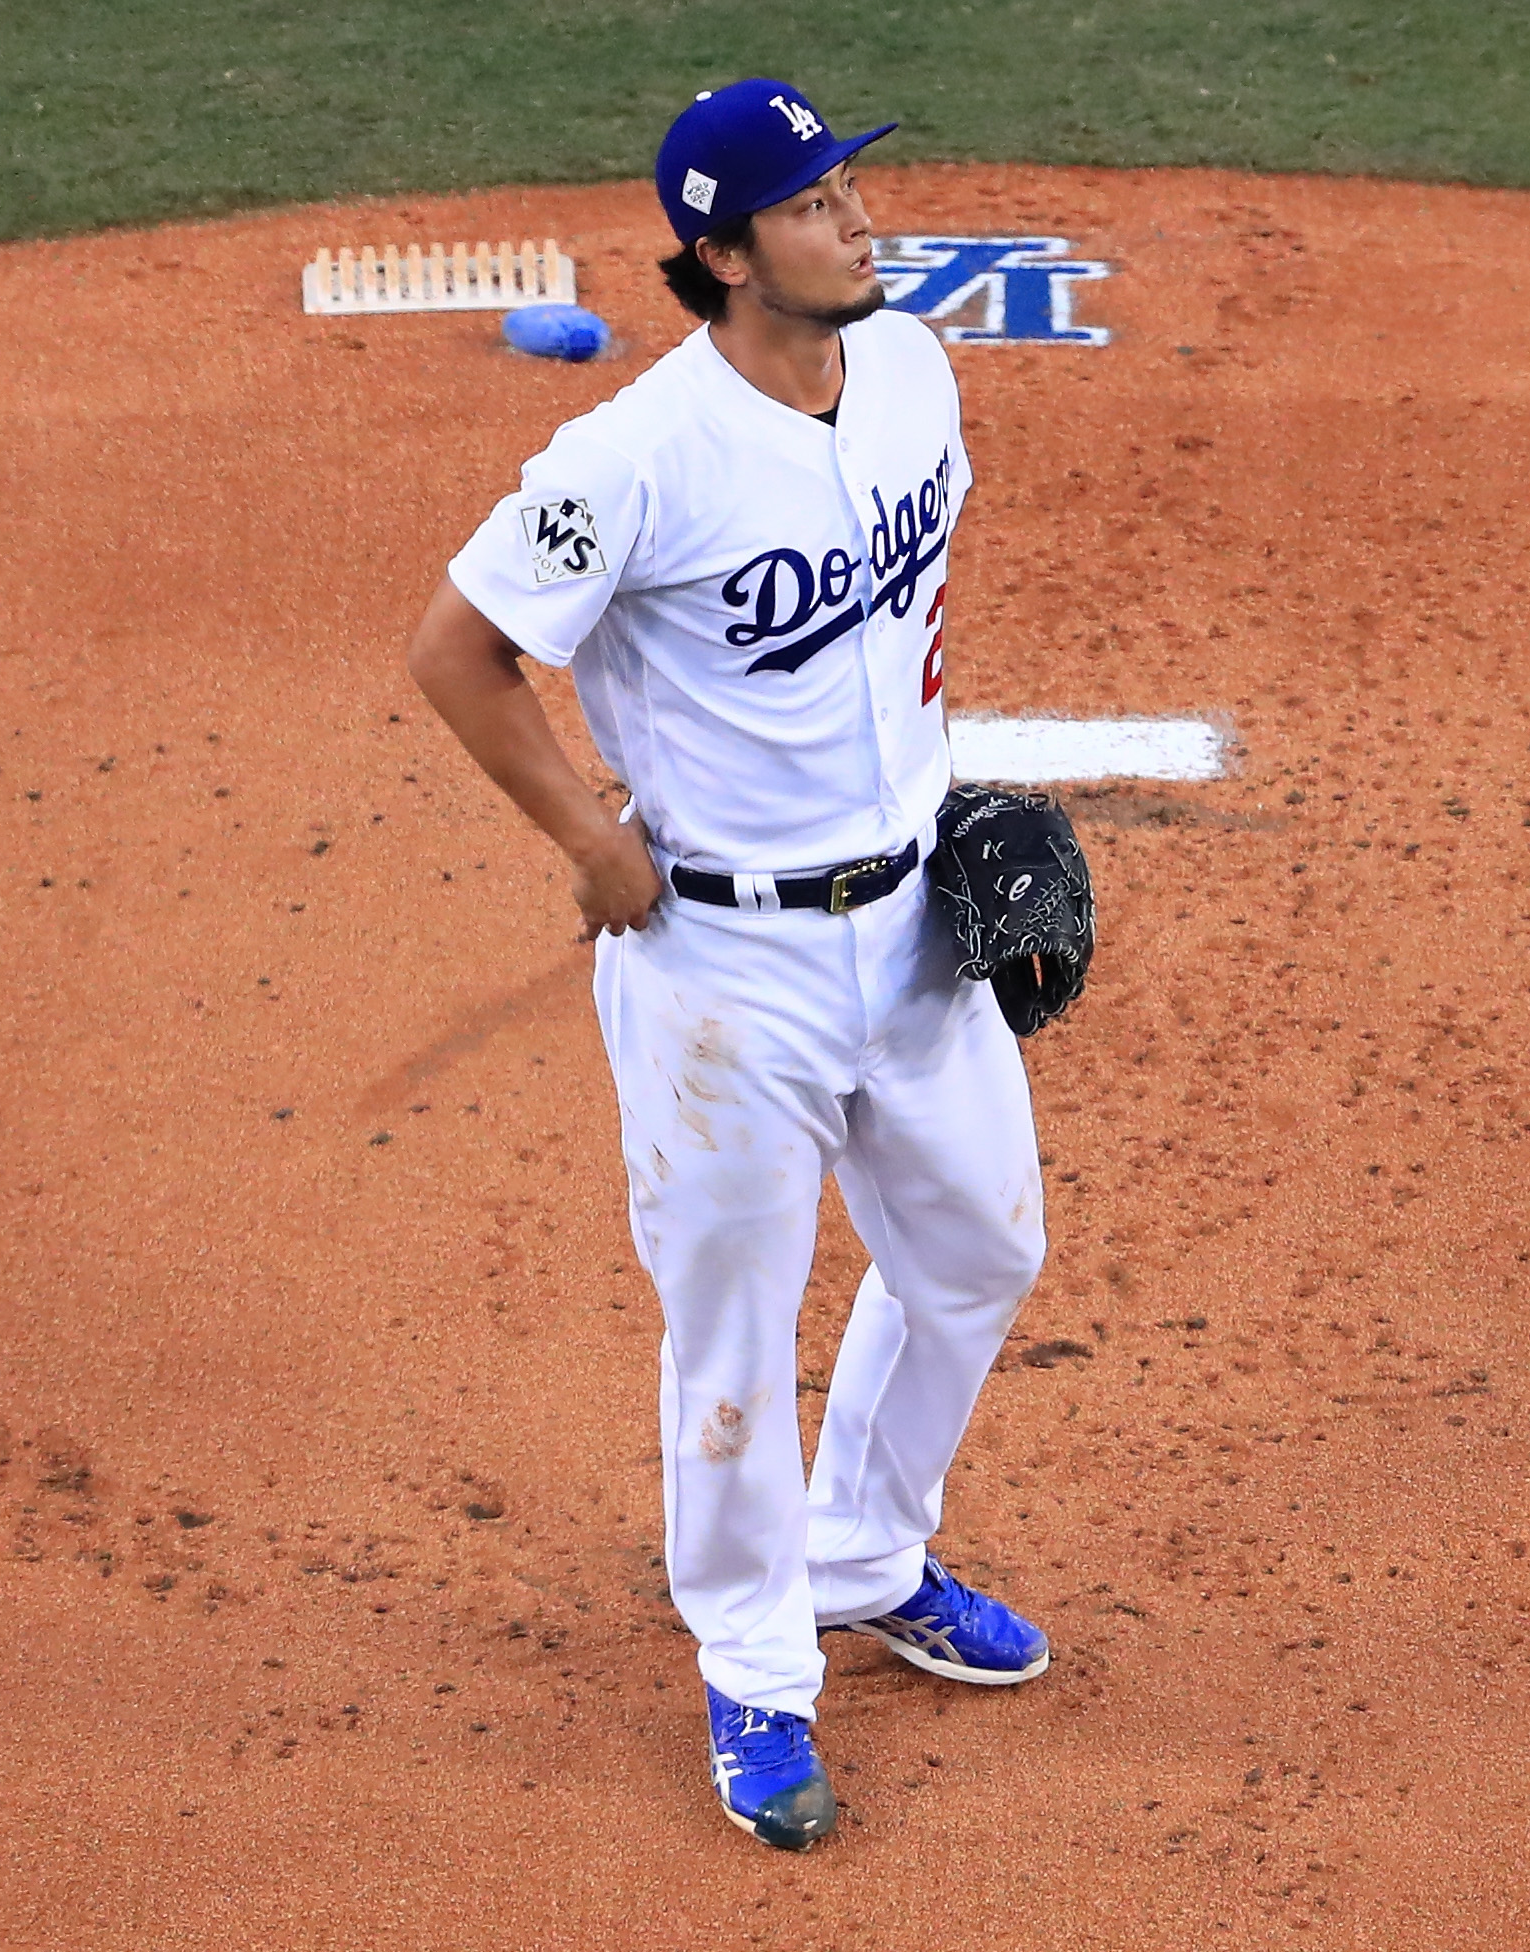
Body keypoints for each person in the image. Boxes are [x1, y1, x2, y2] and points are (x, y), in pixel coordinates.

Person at [404, 77, 1051, 1853]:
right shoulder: (630, 458)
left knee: (985, 1251)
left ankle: (863, 1554)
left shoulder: (910, 370)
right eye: (814, 201)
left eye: (850, 184)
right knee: (734, 1343)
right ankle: (757, 1672)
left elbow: (890, 634)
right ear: (720, 252)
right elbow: (458, 651)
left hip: (915, 928)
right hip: (721, 966)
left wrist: (933, 795)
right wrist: (590, 840)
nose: (855, 218)